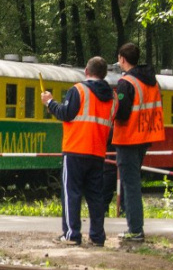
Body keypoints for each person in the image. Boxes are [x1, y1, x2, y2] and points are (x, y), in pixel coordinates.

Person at [42, 57, 117, 246]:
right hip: (98, 152)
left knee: (71, 193)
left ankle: (72, 234)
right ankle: (97, 236)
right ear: (104, 74)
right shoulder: (113, 97)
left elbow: (66, 114)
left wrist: (50, 102)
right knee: (95, 196)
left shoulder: (79, 90)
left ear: (86, 71)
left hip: (75, 149)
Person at [111, 42, 165, 242]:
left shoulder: (127, 83)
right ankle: (135, 227)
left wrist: (112, 108)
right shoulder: (151, 81)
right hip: (145, 138)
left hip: (128, 139)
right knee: (133, 183)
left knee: (130, 185)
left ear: (122, 59)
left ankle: (135, 229)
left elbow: (122, 113)